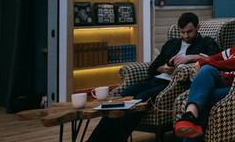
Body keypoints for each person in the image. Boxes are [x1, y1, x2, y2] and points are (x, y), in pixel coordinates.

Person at [87, 12, 220, 142]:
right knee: (121, 98)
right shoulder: (171, 44)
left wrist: (190, 57)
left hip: (171, 86)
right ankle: (95, 139)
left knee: (138, 101)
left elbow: (214, 58)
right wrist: (163, 68)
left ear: (197, 28)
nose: (185, 36)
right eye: (182, 32)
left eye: (189, 32)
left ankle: (117, 139)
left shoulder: (206, 42)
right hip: (155, 79)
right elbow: (153, 67)